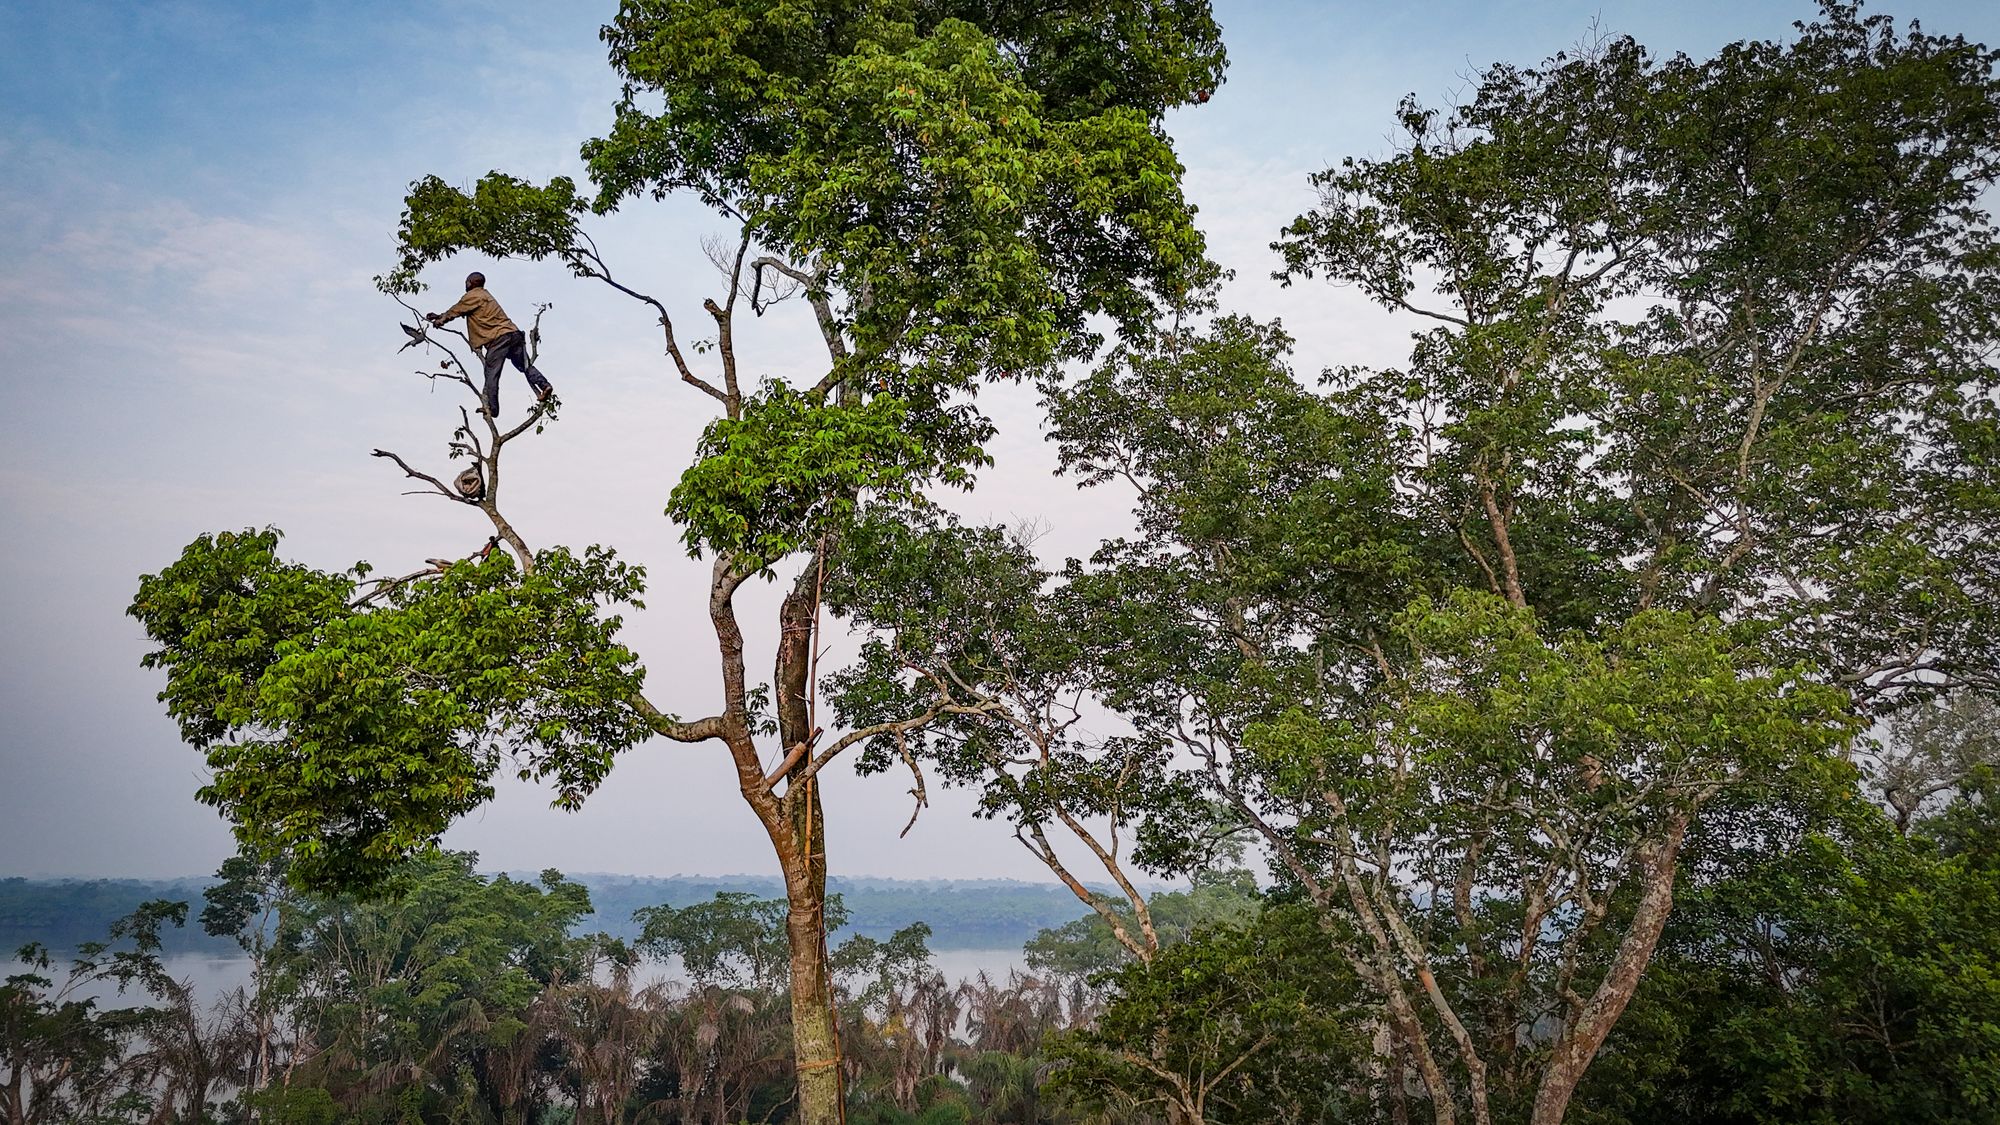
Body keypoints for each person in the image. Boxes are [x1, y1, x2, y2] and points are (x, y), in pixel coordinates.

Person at [427, 272, 554, 416]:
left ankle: (493, 409)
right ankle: (545, 385)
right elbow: (457, 311)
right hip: (514, 334)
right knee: (524, 366)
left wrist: (440, 321)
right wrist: (440, 315)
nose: (466, 284)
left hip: (499, 338)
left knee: (491, 374)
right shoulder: (486, 295)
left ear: (472, 282)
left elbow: (456, 310)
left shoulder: (473, 295)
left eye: (467, 281)